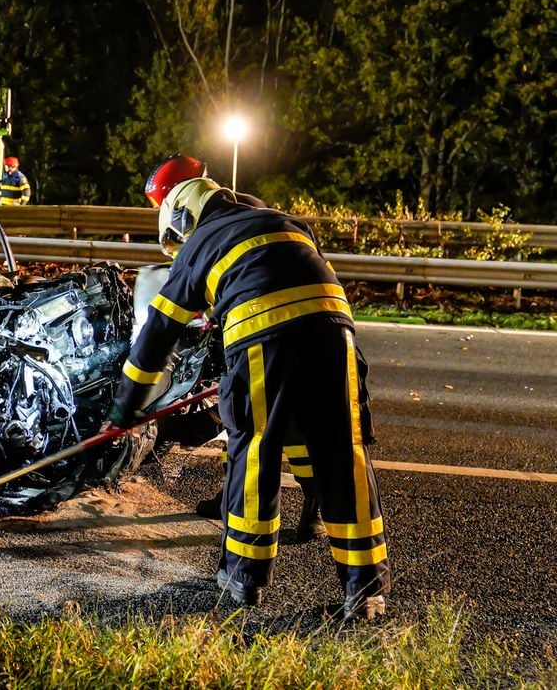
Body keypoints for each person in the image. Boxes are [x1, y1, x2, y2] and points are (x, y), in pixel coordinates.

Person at [109, 176, 389, 620]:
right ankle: (366, 591)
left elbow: (158, 333)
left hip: (262, 336)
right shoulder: (284, 221)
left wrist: (126, 407)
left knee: (256, 447)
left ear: (184, 217)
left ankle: (242, 579)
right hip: (335, 334)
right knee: (342, 453)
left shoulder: (201, 242)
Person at [143, 154, 324, 541]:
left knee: (277, 424)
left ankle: (310, 510)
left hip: (271, 331)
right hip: (291, 324)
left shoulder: (221, 218)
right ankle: (240, 496)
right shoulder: (242, 207)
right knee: (247, 421)